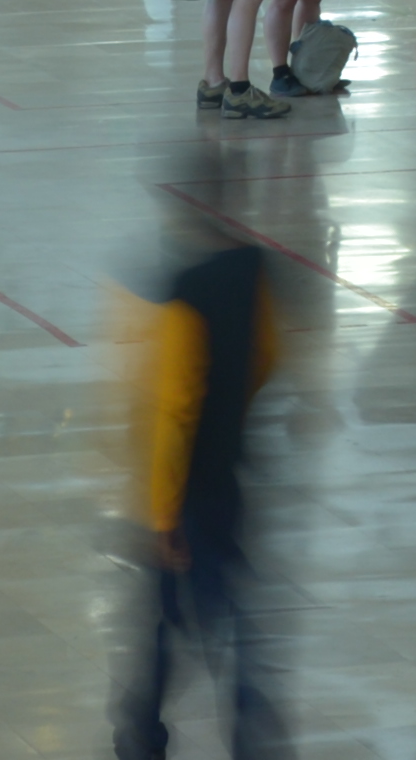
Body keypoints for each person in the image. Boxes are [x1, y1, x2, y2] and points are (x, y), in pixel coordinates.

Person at [114, 192, 293, 760]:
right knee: (230, 608)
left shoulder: (184, 290)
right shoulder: (255, 270)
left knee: (169, 616)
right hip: (229, 476)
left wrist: (163, 512)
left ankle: (142, 734)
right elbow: (267, 354)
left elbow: (176, 406)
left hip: (186, 490)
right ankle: (250, 735)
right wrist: (235, 417)